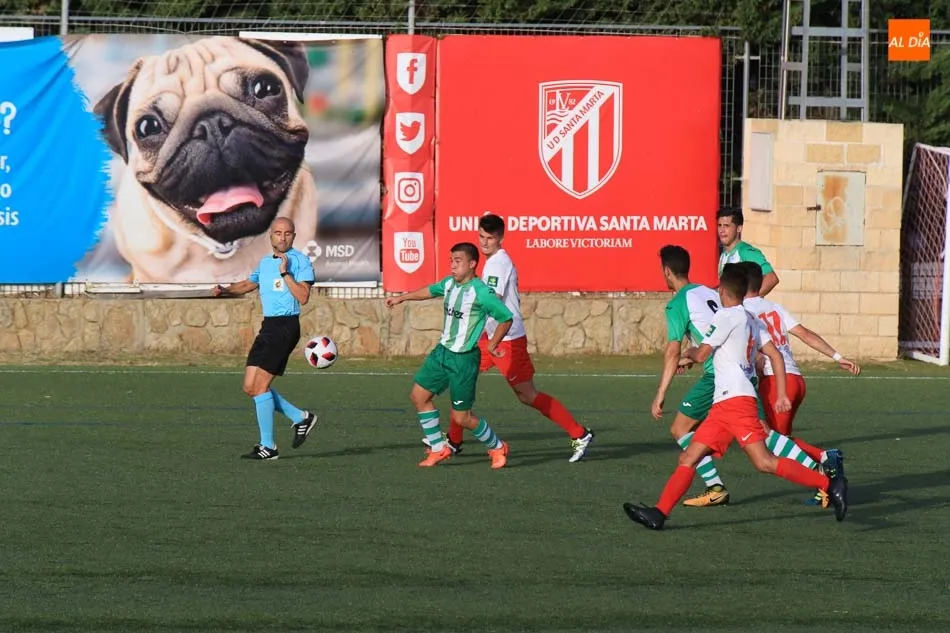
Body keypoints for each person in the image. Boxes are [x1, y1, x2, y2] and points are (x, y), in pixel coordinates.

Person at [624, 264, 848, 530]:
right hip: (725, 404)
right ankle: (659, 513)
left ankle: (829, 484)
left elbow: (703, 353)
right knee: (689, 458)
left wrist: (688, 355)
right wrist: (780, 393)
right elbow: (775, 356)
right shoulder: (752, 320)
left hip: (736, 403)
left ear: (722, 290)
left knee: (765, 462)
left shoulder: (725, 316)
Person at [654, 246, 824, 507]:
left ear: (667, 271)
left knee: (682, 429)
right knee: (762, 434)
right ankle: (821, 463)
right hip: (742, 374)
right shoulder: (708, 292)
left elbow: (674, 350)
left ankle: (819, 470)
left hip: (720, 378)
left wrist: (661, 393)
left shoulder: (679, 303)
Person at [431, 214, 594, 462]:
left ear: (501, 238)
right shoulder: (491, 262)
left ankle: (580, 434)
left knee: (527, 394)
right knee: (461, 377)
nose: (484, 242)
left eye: (490, 238)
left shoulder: (498, 264)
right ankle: (454, 440)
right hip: (489, 337)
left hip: (507, 339)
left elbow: (491, 300)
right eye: (481, 237)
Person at [738, 260, 860, 505]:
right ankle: (824, 475)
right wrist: (837, 357)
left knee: (773, 442)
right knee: (778, 440)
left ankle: (825, 464)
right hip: (796, 381)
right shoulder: (775, 307)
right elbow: (804, 334)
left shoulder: (742, 311)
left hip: (775, 381)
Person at [385, 242, 514, 469]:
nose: (453, 266)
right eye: (451, 261)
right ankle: (438, 448)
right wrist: (402, 298)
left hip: (464, 360)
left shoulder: (481, 292)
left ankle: (496, 446)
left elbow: (506, 317)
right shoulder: (449, 284)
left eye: (458, 261)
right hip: (442, 354)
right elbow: (429, 290)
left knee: (462, 418)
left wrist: (493, 344)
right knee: (418, 396)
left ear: (472, 264)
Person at [212, 217, 318, 460]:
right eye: (278, 233)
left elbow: (303, 297)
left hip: (285, 327)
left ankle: (268, 447)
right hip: (268, 326)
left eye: (287, 233)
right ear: (271, 236)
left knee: (260, 387)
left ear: (293, 236)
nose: (283, 237)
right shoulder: (265, 262)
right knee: (250, 386)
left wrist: (286, 273)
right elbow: (248, 284)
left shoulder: (300, 261)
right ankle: (301, 417)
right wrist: (225, 290)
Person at [717, 207, 780, 296]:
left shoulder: (747, 252)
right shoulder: (724, 253)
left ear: (739, 228)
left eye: (727, 226)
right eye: (719, 225)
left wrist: (749, 301)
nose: (721, 230)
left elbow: (772, 279)